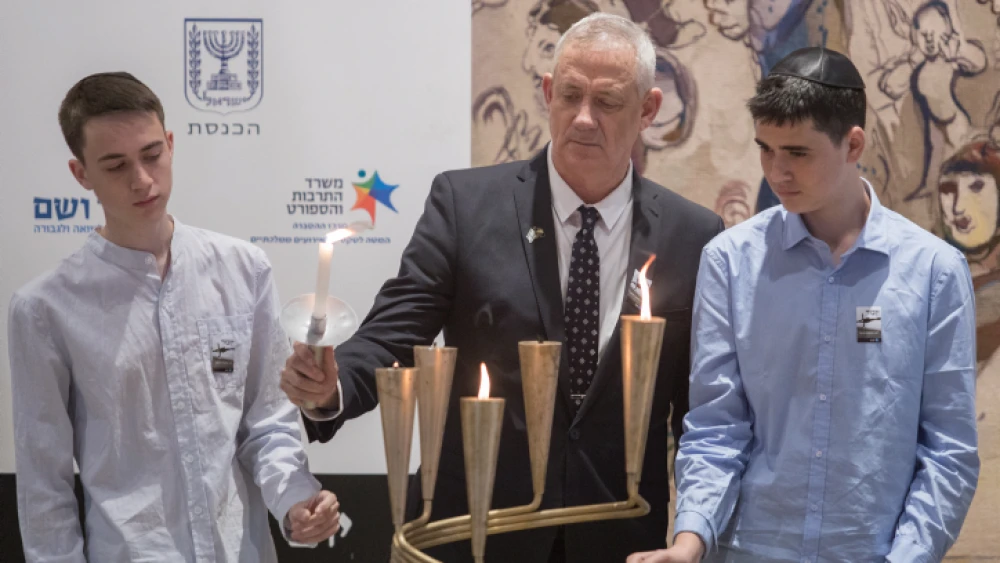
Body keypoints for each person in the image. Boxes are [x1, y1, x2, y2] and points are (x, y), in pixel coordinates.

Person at [281, 13, 723, 563]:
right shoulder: (466, 206)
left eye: (607, 102)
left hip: (619, 537)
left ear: (649, 109)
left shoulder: (694, 234)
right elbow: (392, 334)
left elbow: (702, 414)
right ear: (546, 93)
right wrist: (332, 387)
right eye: (570, 96)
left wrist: (694, 535)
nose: (584, 119)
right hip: (475, 533)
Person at [628, 47, 980, 563]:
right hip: (747, 549)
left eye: (797, 152)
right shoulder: (730, 261)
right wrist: (689, 543)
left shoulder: (934, 272)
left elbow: (949, 451)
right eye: (765, 149)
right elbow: (715, 426)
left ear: (852, 143)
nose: (776, 171)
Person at [8, 72, 340, 562]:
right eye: (116, 165)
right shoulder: (45, 309)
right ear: (81, 175)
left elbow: (267, 422)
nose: (142, 180)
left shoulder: (244, 270)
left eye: (151, 155)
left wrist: (294, 500)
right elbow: (45, 487)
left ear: (169, 143)